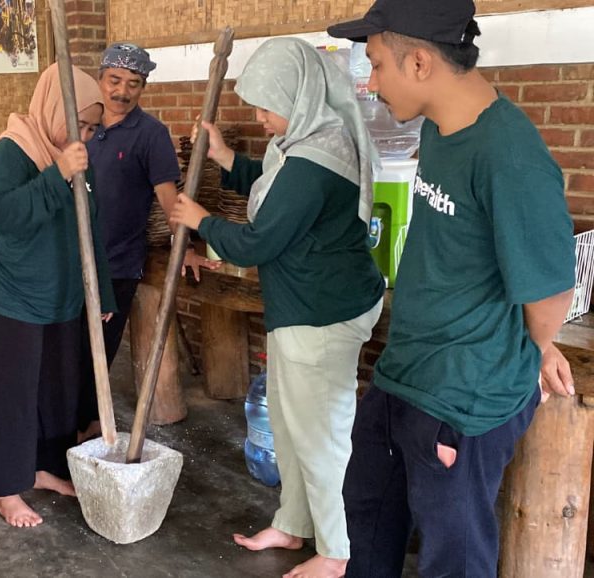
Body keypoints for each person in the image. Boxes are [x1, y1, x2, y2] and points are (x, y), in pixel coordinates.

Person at [327, 1, 577, 576]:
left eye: (376, 64)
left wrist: (534, 350)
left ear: (419, 63)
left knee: (453, 556)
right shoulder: (439, 129)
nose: (372, 83)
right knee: (367, 514)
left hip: (463, 399)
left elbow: (549, 291)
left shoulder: (510, 156)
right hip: (404, 374)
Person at [171, 37, 386, 578]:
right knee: (291, 427)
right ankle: (293, 524)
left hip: (322, 315)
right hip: (303, 307)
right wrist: (226, 159)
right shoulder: (305, 140)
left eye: (268, 107)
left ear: (299, 96)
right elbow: (272, 182)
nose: (261, 118)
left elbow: (257, 241)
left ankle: (336, 551)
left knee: (320, 437)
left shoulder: (316, 160)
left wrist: (200, 221)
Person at [0, 62, 116, 528]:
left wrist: (102, 292)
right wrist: (58, 175)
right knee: (12, 394)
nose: (85, 136)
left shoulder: (75, 158)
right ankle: (6, 488)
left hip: (59, 298)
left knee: (56, 392)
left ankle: (43, 468)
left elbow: (89, 226)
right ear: (54, 108)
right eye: (79, 124)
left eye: (92, 129)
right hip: (8, 298)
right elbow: (7, 217)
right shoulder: (12, 151)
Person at [78, 43, 220, 441]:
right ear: (100, 79)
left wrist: (184, 246)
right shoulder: (83, 125)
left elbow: (169, 198)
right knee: (67, 353)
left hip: (117, 266)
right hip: (73, 260)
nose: (122, 91)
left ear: (144, 88)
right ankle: (66, 431)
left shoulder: (151, 134)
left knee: (97, 357)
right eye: (115, 80)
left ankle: (88, 430)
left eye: (133, 84)